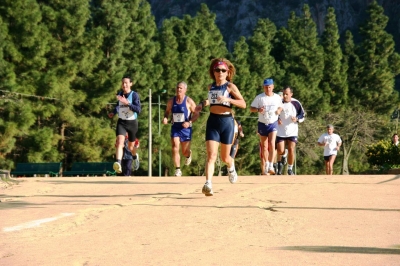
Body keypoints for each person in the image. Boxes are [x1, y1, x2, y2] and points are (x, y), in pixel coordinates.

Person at [194, 58, 246, 196]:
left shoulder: (230, 87)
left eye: (223, 70)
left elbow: (243, 103)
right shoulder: (211, 87)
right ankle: (208, 184)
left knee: (225, 158)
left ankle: (231, 166)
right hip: (213, 122)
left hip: (227, 122)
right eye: (217, 70)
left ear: (227, 72)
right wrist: (201, 104)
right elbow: (209, 100)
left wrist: (228, 99)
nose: (220, 73)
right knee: (211, 155)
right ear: (213, 72)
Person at [162, 81, 199, 177]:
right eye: (177, 87)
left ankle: (188, 155)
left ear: (185, 90)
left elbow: (196, 114)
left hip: (186, 129)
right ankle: (178, 169)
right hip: (175, 127)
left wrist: (189, 122)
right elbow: (167, 112)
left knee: (184, 151)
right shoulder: (171, 101)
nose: (178, 89)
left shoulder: (189, 101)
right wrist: (165, 118)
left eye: (181, 88)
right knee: (175, 147)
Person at [108, 76, 141, 174]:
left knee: (131, 147)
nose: (124, 85)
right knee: (120, 142)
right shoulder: (119, 94)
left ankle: (135, 156)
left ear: (131, 84)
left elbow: (138, 110)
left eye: (126, 83)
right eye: (123, 83)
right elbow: (118, 106)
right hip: (121, 122)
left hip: (132, 123)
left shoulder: (134, 95)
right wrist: (113, 112)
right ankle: (118, 163)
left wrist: (128, 103)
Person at [250, 78, 283, 175]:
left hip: (273, 123)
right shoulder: (259, 97)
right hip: (262, 123)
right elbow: (251, 108)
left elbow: (281, 106)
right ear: (263, 87)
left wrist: (279, 111)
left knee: (272, 144)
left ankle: (271, 165)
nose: (267, 89)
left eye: (269, 87)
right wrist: (258, 110)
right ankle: (266, 164)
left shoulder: (277, 97)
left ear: (273, 87)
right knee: (264, 146)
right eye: (265, 87)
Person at [276, 86, 305, 175]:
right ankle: (284, 154)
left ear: (291, 94)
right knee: (280, 150)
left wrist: (296, 119)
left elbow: (302, 115)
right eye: (284, 94)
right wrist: (277, 119)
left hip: (292, 130)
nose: (284, 96)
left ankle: (290, 169)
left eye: (287, 94)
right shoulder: (278, 103)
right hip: (281, 130)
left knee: (291, 149)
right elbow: (273, 114)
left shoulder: (296, 103)